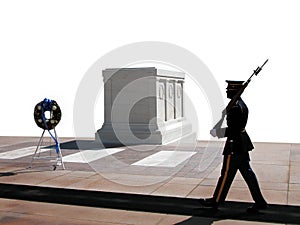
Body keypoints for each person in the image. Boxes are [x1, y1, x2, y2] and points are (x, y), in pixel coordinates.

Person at [199, 80, 267, 213]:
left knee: (226, 175)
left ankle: (216, 201)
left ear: (234, 91)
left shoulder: (235, 108)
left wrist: (217, 132)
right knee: (248, 174)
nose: (226, 91)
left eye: (228, 89)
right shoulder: (240, 105)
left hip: (234, 146)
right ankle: (260, 202)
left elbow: (233, 130)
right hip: (242, 144)